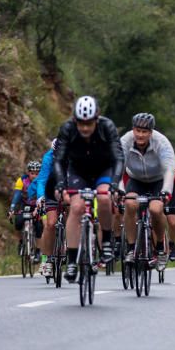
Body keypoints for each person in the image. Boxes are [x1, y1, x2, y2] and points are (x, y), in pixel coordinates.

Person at [53, 96, 124, 282]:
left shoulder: (107, 127)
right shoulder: (67, 129)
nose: (85, 128)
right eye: (81, 124)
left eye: (89, 123)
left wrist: (115, 184)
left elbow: (118, 158)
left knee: (104, 198)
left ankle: (107, 241)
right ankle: (71, 260)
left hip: (103, 169)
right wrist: (61, 184)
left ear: (97, 119)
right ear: (75, 120)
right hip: (78, 171)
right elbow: (59, 160)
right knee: (75, 208)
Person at [120, 112, 175, 272]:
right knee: (130, 204)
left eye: (144, 132)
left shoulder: (162, 143)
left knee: (156, 209)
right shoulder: (125, 141)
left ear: (151, 132)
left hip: (157, 180)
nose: (140, 135)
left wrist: (166, 191)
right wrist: (119, 189)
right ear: (133, 130)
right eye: (138, 131)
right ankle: (131, 248)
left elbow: (169, 169)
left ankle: (159, 247)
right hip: (136, 180)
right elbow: (117, 166)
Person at [29, 139, 62, 278]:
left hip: (67, 188)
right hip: (51, 188)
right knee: (50, 223)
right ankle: (46, 260)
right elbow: (42, 180)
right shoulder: (49, 157)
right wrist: (41, 197)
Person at [8, 160, 43, 262]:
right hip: (24, 204)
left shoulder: (42, 181)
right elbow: (17, 195)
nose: (34, 176)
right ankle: (21, 242)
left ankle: (37, 251)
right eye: (32, 173)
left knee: (39, 226)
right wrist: (12, 208)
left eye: (37, 174)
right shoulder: (21, 180)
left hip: (38, 204)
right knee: (18, 222)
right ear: (28, 173)